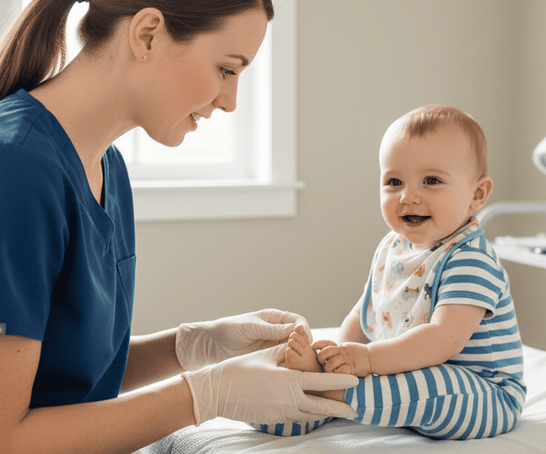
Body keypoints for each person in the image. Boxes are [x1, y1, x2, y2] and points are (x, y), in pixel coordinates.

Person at [0, 1, 359, 452]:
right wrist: (200, 396)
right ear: (148, 34)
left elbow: (62, 376)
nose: (230, 102)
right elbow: (6, 437)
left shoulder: (105, 166)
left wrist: (192, 347)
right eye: (227, 70)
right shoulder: (17, 169)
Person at [256, 105, 526, 439]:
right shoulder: (393, 246)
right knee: (393, 384)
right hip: (404, 368)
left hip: (483, 393)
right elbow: (366, 308)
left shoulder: (471, 259)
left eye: (431, 181)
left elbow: (443, 341)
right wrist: (338, 359)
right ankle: (307, 401)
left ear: (477, 194)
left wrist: (366, 359)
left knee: (433, 383)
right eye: (394, 181)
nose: (408, 196)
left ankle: (325, 394)